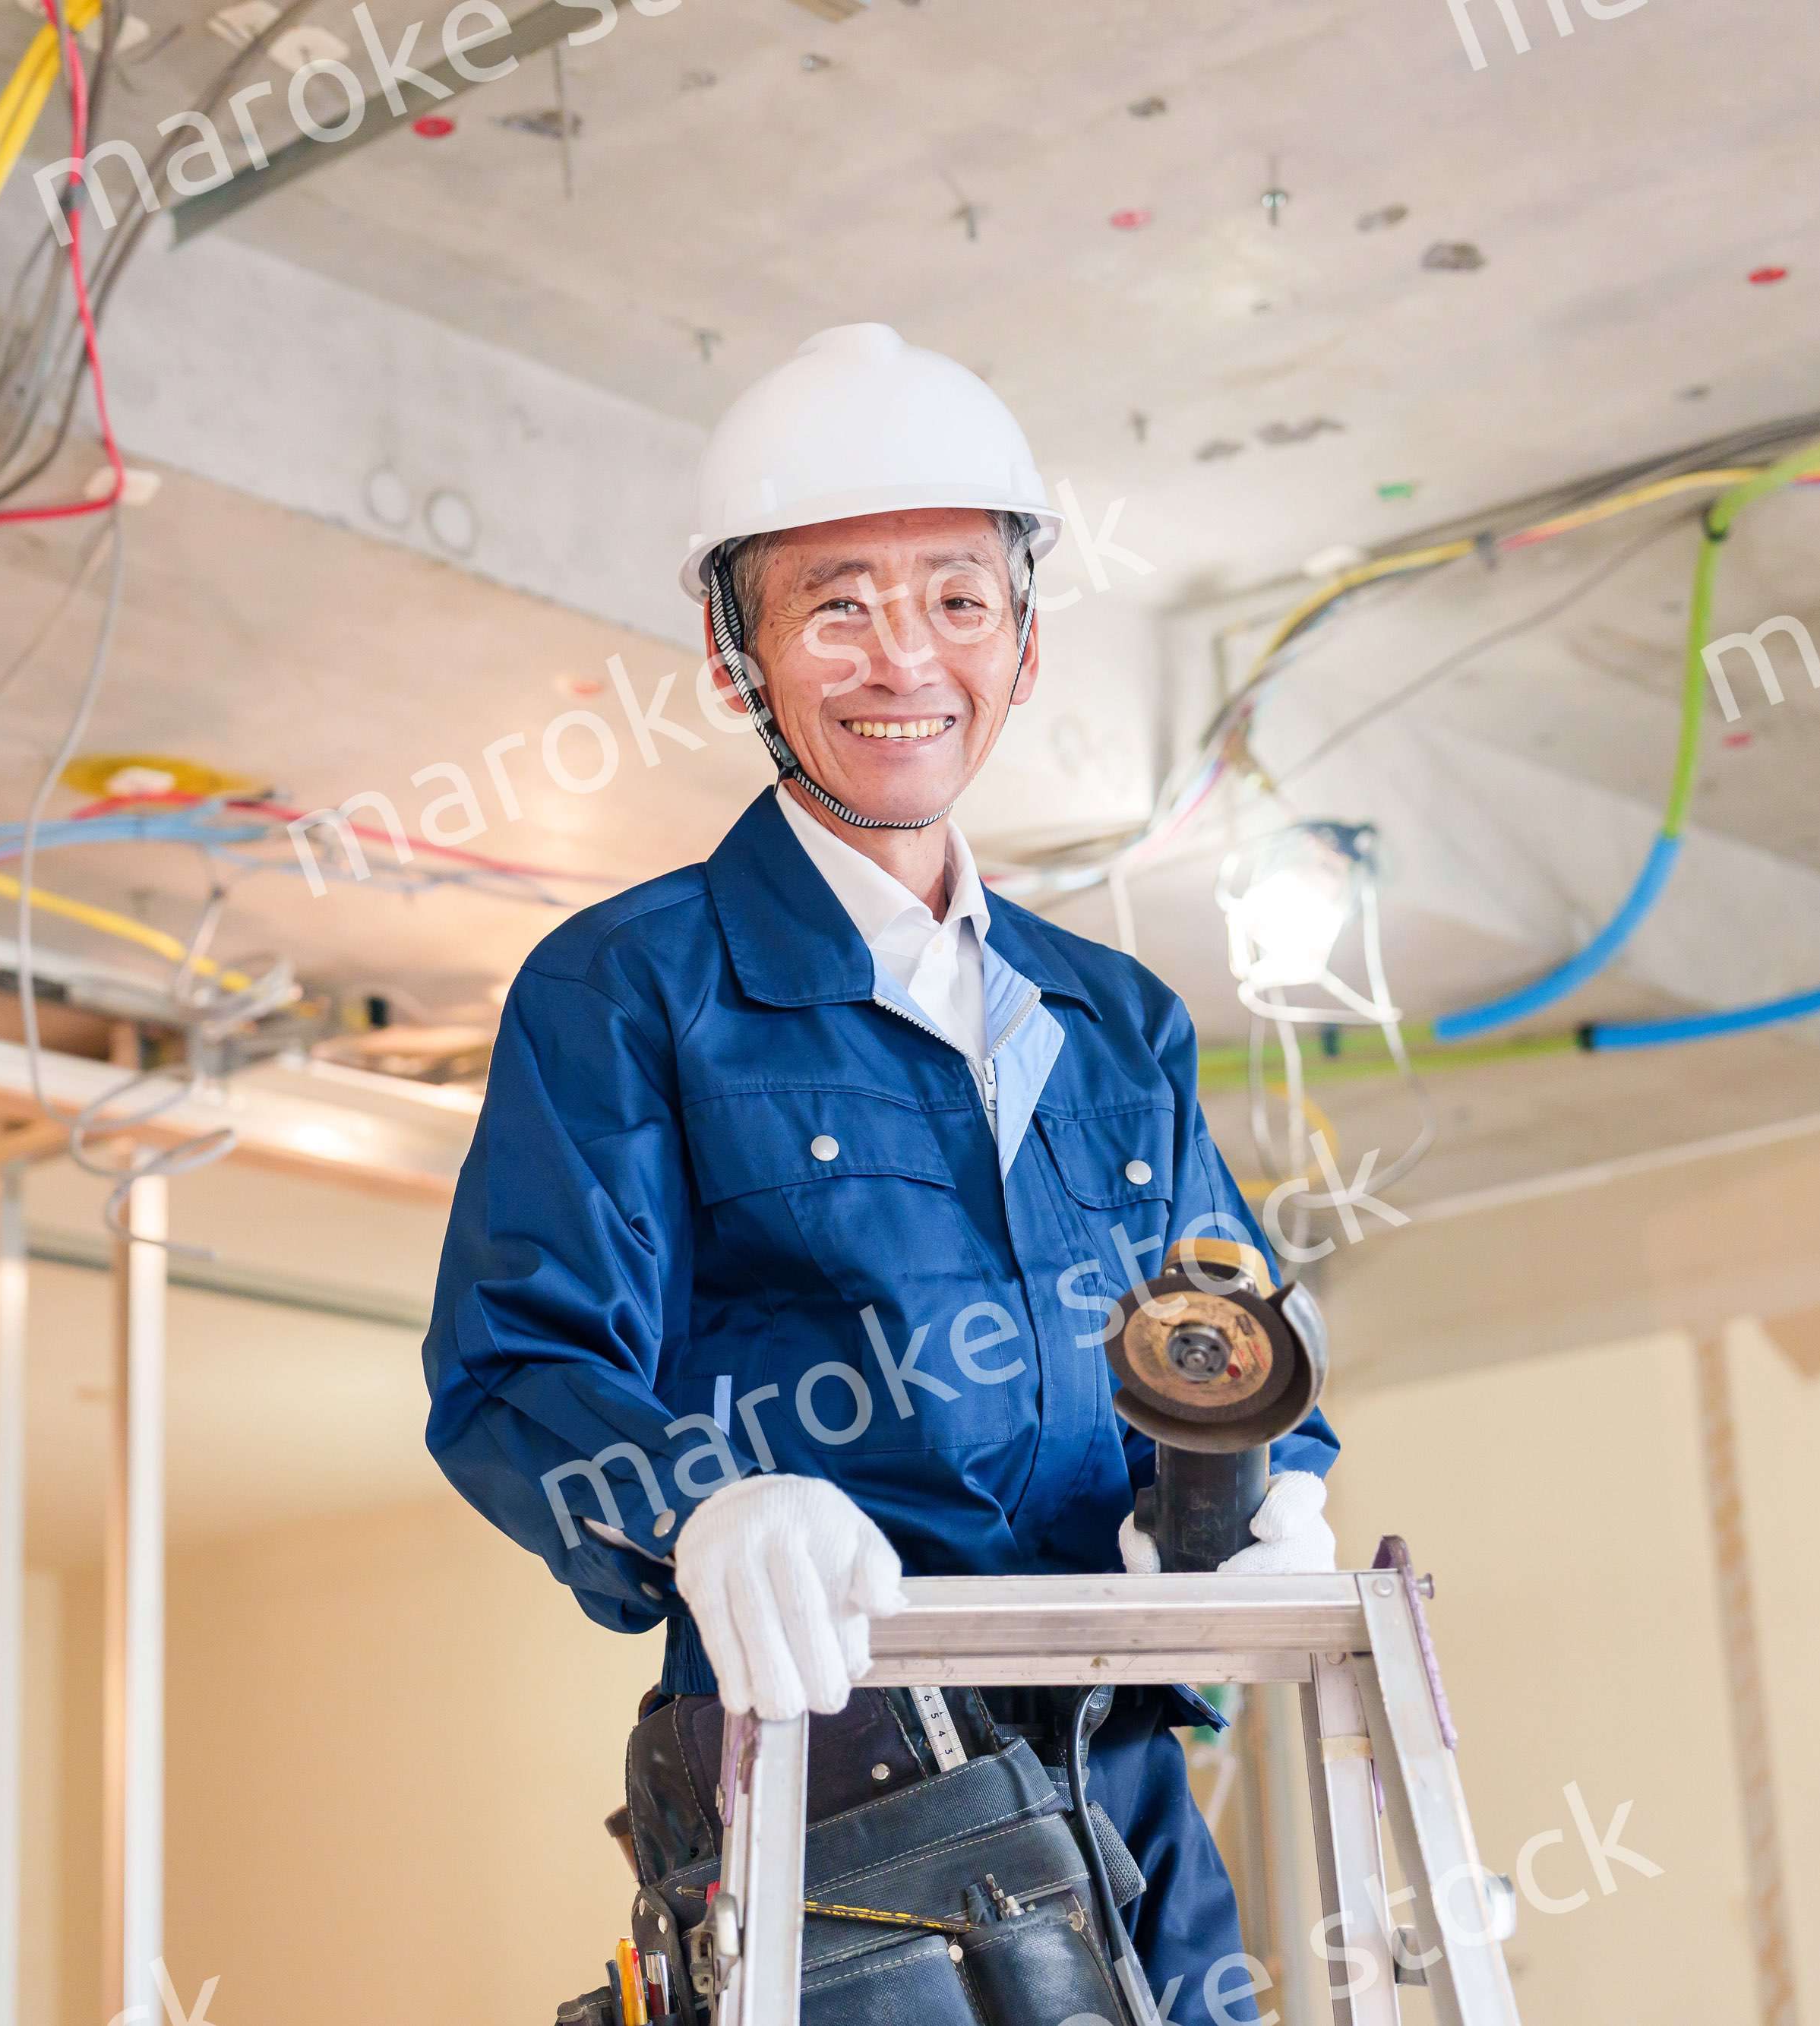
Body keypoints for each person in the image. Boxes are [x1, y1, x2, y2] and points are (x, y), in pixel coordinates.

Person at [422, 324, 1342, 2026]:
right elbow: (507, 1373)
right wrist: (697, 1498)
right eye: (834, 604)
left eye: (954, 600)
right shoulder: (635, 985)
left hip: (1120, 1769)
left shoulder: (1111, 1015)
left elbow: (1211, 1328)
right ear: (735, 658)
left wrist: (1261, 1491)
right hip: (840, 1796)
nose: (900, 656)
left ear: (1023, 642)